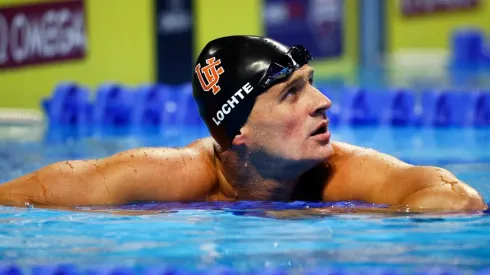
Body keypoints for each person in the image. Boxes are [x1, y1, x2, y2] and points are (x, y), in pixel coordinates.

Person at [0, 35, 486, 212]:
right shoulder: (172, 176)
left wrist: (339, 213)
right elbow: (23, 196)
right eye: (292, 93)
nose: (324, 102)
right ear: (236, 131)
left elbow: (457, 200)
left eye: (311, 83)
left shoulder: (338, 176)